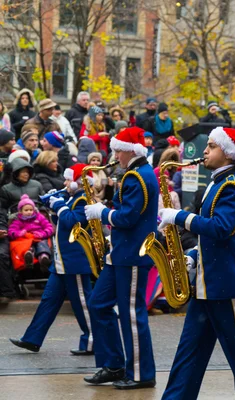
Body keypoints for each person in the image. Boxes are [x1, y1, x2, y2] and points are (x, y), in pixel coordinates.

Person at [156, 127, 235, 400]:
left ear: (229, 154)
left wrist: (180, 217)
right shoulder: (218, 183)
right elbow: (212, 239)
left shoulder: (232, 185)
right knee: (188, 354)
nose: (205, 150)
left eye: (213, 146)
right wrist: (192, 257)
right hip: (208, 284)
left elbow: (221, 229)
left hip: (225, 285)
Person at [83, 126, 158, 390]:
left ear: (129, 150)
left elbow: (127, 217)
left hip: (132, 255)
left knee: (131, 315)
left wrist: (101, 212)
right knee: (98, 304)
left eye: (117, 149)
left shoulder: (137, 176)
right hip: (122, 254)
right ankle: (114, 364)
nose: (114, 154)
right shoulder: (134, 173)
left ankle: (141, 373)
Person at [9, 164, 95, 355]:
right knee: (48, 301)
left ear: (79, 182)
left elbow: (74, 222)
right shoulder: (73, 198)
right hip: (62, 262)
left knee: (83, 305)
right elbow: (60, 224)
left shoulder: (84, 199)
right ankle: (32, 339)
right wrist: (55, 207)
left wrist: (60, 205)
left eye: (68, 179)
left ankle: (92, 341)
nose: (65, 183)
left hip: (75, 262)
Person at [7, 193, 53, 270]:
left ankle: (44, 257)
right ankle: (28, 256)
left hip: (39, 237)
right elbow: (11, 231)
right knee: (28, 246)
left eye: (31, 210)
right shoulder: (18, 220)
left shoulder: (39, 217)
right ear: (20, 211)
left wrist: (42, 234)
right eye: (26, 210)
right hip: (26, 239)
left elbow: (49, 227)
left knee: (43, 244)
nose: (29, 212)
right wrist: (18, 234)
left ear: (34, 209)